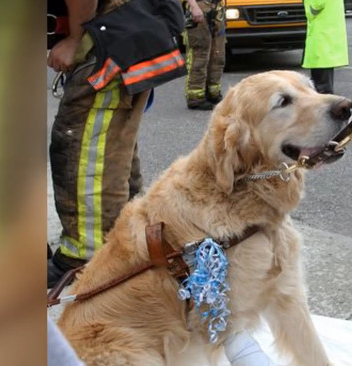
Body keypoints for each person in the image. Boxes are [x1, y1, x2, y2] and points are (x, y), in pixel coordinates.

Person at [47, 0, 185, 288]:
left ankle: (87, 258)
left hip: (109, 39)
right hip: (125, 32)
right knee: (112, 148)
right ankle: (129, 239)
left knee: (85, 151)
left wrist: (75, 39)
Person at [183, 0, 226, 110]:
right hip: (199, 9)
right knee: (199, 56)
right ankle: (195, 97)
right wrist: (194, 7)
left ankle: (213, 94)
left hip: (216, 9)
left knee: (217, 56)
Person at [302, 0, 349, 94]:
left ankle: (326, 106)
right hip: (328, 35)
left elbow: (315, 6)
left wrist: (310, 7)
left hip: (322, 37)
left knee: (321, 87)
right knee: (324, 81)